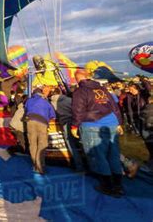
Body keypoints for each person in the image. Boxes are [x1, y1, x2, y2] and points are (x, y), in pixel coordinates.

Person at [71, 69, 124, 197]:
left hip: (93, 125)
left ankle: (107, 186)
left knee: (99, 157)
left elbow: (77, 110)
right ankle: (118, 185)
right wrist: (119, 122)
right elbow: (115, 107)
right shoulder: (103, 89)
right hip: (111, 124)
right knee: (113, 155)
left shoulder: (80, 92)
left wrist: (74, 126)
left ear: (77, 78)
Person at [50, 88, 84, 172]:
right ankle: (89, 164)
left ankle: (79, 167)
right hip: (75, 122)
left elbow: (52, 115)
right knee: (82, 143)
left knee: (72, 146)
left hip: (65, 123)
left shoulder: (51, 103)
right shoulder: (70, 100)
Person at [24, 86, 56, 174]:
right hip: (42, 122)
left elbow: (26, 109)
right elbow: (52, 114)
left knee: (32, 144)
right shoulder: (45, 101)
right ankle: (40, 166)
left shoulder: (29, 100)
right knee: (42, 144)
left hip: (30, 121)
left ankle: (35, 165)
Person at [141, 97, 153, 172]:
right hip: (150, 133)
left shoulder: (144, 109)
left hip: (146, 134)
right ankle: (150, 167)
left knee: (151, 151)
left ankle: (149, 164)